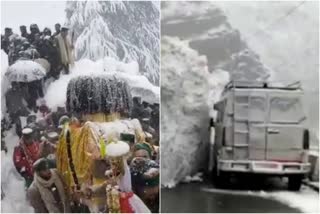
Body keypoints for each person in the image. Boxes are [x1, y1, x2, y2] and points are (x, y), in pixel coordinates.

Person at [130, 143, 159, 212]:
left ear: (150, 157)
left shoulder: (157, 170)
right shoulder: (132, 176)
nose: (141, 160)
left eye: (145, 157)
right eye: (138, 157)